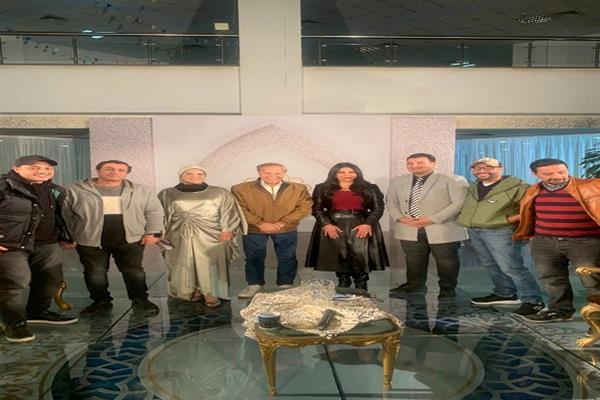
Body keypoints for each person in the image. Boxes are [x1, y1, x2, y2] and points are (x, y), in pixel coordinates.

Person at [63, 160, 164, 317]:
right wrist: (67, 235)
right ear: (98, 170)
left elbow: (154, 211)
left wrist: (153, 232)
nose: (115, 172)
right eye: (109, 169)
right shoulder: (75, 190)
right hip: (89, 239)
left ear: (126, 173)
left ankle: (140, 301)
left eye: (120, 170)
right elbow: (64, 213)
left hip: (130, 239)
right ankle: (101, 303)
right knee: (95, 273)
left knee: (134, 271)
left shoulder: (140, 190)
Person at [0, 155, 77, 343]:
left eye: (47, 168)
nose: (42, 171)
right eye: (34, 167)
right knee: (15, 284)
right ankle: (15, 325)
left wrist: (66, 235)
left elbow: (59, 215)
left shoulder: (55, 190)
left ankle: (37, 312)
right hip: (11, 245)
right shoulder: (3, 186)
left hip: (47, 243)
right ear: (16, 168)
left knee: (51, 280)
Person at [513, 158, 600, 323]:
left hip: (586, 242)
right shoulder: (533, 190)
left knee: (593, 280)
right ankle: (559, 310)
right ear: (535, 174)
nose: (557, 176)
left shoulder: (593, 186)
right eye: (548, 174)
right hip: (544, 242)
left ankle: (597, 318)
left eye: (561, 172)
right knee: (551, 278)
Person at [457, 157, 544, 316]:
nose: (482, 171)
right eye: (477, 168)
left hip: (501, 231)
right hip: (476, 230)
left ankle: (533, 301)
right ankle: (505, 293)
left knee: (511, 266)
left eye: (488, 167)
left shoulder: (518, 187)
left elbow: (532, 207)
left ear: (500, 168)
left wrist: (509, 220)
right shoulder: (474, 187)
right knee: (490, 264)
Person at [158, 166, 247, 307]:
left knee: (211, 263)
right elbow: (160, 214)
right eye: (189, 173)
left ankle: (212, 293)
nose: (195, 176)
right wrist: (160, 234)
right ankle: (191, 290)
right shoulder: (167, 193)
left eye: (200, 174)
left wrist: (228, 229)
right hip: (179, 234)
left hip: (213, 234)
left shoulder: (219, 192)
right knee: (184, 262)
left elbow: (229, 210)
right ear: (181, 175)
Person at [386, 153, 468, 298]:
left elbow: (459, 202)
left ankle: (447, 288)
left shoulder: (453, 179)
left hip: (443, 227)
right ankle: (414, 285)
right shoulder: (398, 181)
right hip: (409, 227)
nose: (414, 166)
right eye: (410, 163)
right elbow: (390, 202)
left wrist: (432, 219)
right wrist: (401, 218)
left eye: (420, 163)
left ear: (433, 163)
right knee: (413, 259)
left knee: (446, 260)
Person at [231, 163, 312, 298]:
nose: (272, 176)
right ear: (259, 173)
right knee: (254, 257)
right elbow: (239, 208)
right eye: (267, 173)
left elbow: (304, 207)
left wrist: (282, 223)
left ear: (284, 172)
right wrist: (259, 223)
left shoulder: (298, 188)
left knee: (287, 257)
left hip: (286, 228)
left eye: (277, 173)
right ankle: (254, 284)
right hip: (254, 229)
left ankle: (285, 284)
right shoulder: (240, 189)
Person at [305, 162, 389, 291]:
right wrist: (326, 224)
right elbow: (317, 209)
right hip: (334, 224)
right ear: (334, 173)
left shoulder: (370, 188)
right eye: (342, 172)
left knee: (360, 255)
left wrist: (367, 224)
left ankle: (361, 283)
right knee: (339, 254)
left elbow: (378, 208)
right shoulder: (322, 188)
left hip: (360, 223)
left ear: (357, 173)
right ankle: (343, 281)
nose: (347, 175)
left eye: (351, 172)